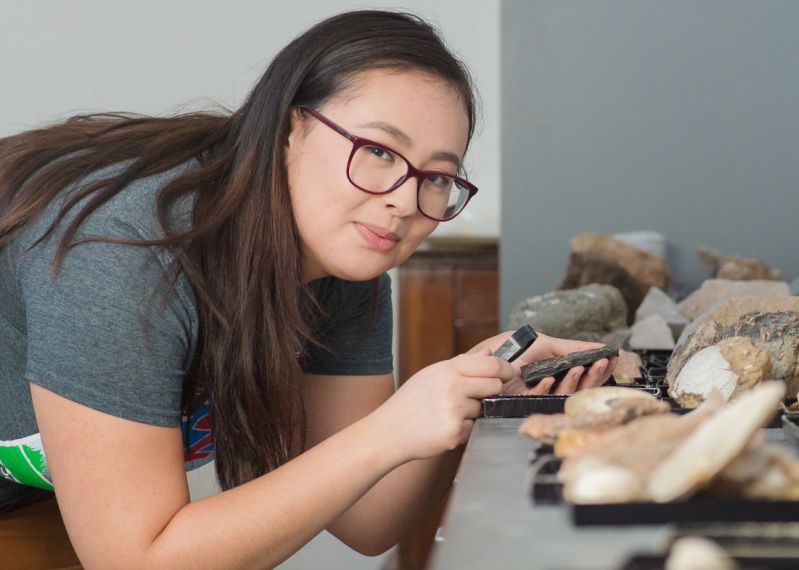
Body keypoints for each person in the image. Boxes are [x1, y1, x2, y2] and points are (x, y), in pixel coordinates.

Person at [0, 10, 614, 568]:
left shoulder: (343, 268)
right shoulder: (127, 251)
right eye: (377, 150)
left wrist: (478, 389)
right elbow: (139, 561)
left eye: (437, 177)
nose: (404, 201)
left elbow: (370, 520)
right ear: (289, 128)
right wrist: (389, 429)